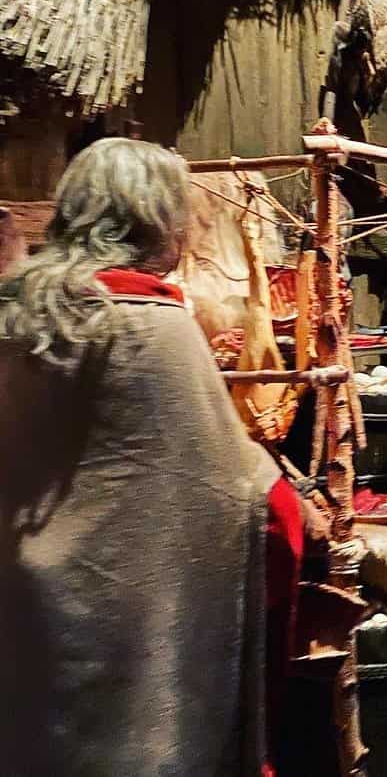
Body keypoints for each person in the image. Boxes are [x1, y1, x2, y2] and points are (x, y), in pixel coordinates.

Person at [0, 138, 300, 775]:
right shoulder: (148, 327)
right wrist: (288, 511)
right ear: (154, 220)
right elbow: (236, 496)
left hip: (24, 620)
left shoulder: (15, 316)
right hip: (124, 636)